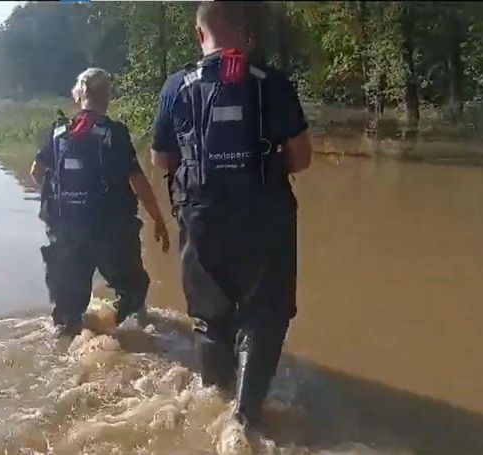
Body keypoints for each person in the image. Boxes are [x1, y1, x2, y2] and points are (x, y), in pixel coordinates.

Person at [150, 1, 312, 447]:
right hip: (265, 216)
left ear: (200, 34)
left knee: (209, 318)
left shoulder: (177, 86)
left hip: (201, 217)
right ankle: (243, 418)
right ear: (242, 31)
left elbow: (160, 158)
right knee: (266, 314)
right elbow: (301, 158)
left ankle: (212, 404)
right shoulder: (271, 82)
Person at [31, 67, 169, 338]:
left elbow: (36, 171)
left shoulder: (59, 131)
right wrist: (159, 219)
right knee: (133, 289)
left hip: (66, 231)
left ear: (78, 95)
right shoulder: (114, 133)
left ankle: (69, 345)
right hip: (110, 231)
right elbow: (138, 181)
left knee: (67, 311)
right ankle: (123, 334)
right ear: (107, 95)